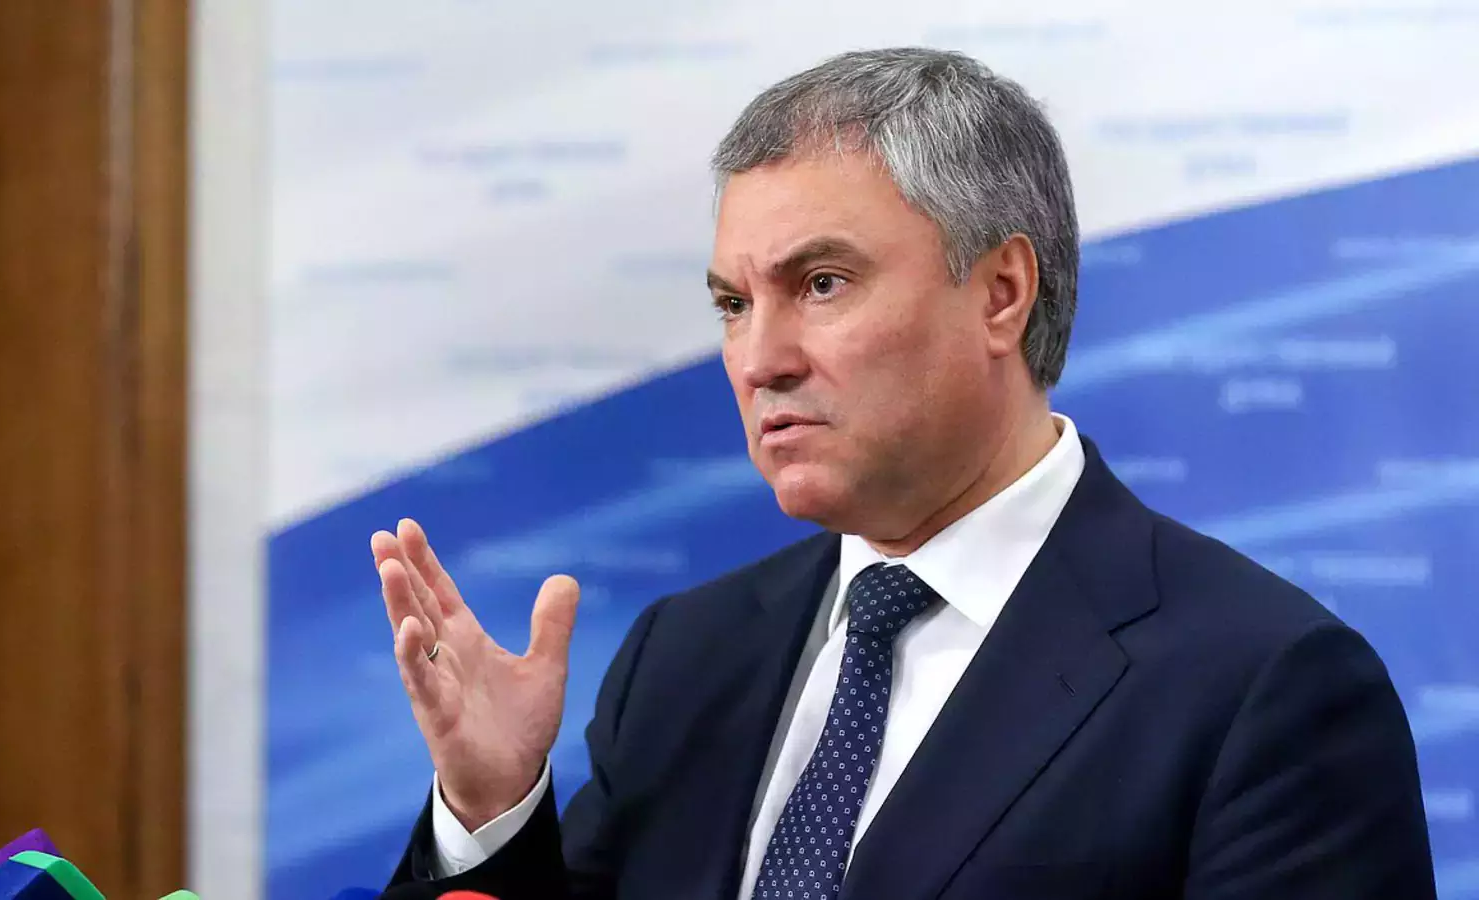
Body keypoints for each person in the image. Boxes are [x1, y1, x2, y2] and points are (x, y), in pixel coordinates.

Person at [370, 48, 1436, 900]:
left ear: (1001, 293)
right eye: (734, 304)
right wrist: (492, 811)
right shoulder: (683, 659)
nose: (759, 358)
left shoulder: (1262, 688)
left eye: (822, 283)